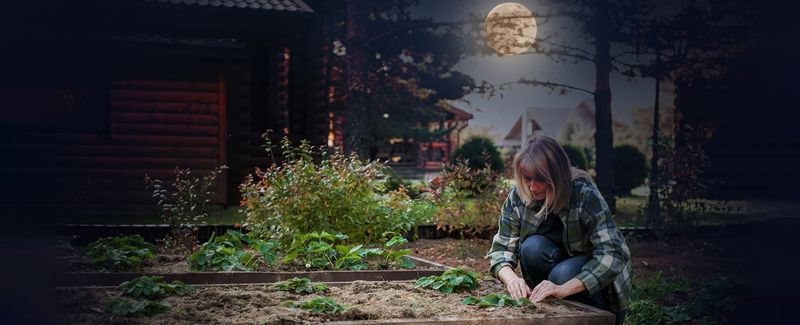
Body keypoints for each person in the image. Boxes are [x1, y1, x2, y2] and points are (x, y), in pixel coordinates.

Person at [487, 136, 631, 325]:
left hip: (594, 281)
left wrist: (563, 288)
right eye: (527, 178)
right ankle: (550, 307)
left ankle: (588, 315)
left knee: (561, 275)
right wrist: (513, 280)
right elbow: (500, 251)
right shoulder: (518, 197)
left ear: (556, 175)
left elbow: (612, 255)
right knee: (531, 248)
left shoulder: (583, 194)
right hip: (556, 266)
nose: (532, 187)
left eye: (540, 178)